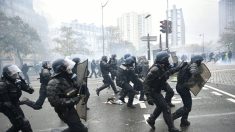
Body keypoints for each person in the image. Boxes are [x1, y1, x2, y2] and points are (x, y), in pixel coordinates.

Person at [143, 51, 181, 132]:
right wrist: (148, 96)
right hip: (153, 91)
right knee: (166, 108)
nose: (168, 60)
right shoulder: (155, 69)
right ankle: (171, 128)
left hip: (159, 87)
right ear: (163, 60)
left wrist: (180, 67)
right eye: (167, 59)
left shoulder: (162, 67)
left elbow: (170, 71)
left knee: (161, 106)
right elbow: (146, 83)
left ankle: (151, 119)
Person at [47, 58, 88, 132]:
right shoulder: (53, 83)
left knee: (75, 129)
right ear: (61, 68)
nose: (69, 67)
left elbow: (76, 90)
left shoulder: (68, 78)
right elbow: (54, 102)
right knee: (82, 130)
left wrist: (82, 85)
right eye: (67, 65)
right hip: (64, 111)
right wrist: (74, 100)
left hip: (70, 109)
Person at [172, 55, 204, 128]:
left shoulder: (186, 65)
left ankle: (184, 121)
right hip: (183, 88)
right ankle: (172, 117)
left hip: (181, 87)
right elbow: (193, 75)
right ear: (197, 61)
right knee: (187, 107)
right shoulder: (193, 66)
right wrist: (196, 77)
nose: (201, 63)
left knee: (187, 105)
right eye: (200, 61)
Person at [0, 64, 34, 132]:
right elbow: (8, 103)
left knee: (18, 125)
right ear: (7, 74)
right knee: (23, 123)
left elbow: (30, 91)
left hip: (14, 104)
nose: (16, 75)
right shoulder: (3, 85)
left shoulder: (16, 80)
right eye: (13, 74)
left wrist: (23, 82)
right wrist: (18, 115)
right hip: (5, 106)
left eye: (16, 73)